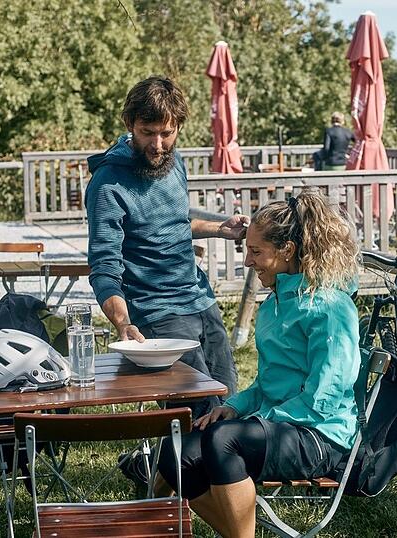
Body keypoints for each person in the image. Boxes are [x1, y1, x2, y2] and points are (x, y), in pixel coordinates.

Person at [154, 189, 361, 538]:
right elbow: (267, 385)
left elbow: (323, 398)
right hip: (279, 427)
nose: (247, 261)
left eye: (256, 251)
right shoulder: (274, 305)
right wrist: (234, 408)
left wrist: (257, 419)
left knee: (224, 441)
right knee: (178, 451)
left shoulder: (330, 307)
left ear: (287, 252)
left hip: (323, 435)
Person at [86, 76, 248, 421]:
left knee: (227, 400)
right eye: (148, 132)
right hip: (156, 312)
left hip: (199, 298)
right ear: (130, 125)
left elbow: (174, 223)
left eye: (167, 133)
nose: (158, 144)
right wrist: (123, 322)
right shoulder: (107, 185)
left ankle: (186, 471)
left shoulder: (176, 163)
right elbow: (104, 267)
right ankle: (188, 473)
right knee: (197, 410)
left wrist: (219, 229)